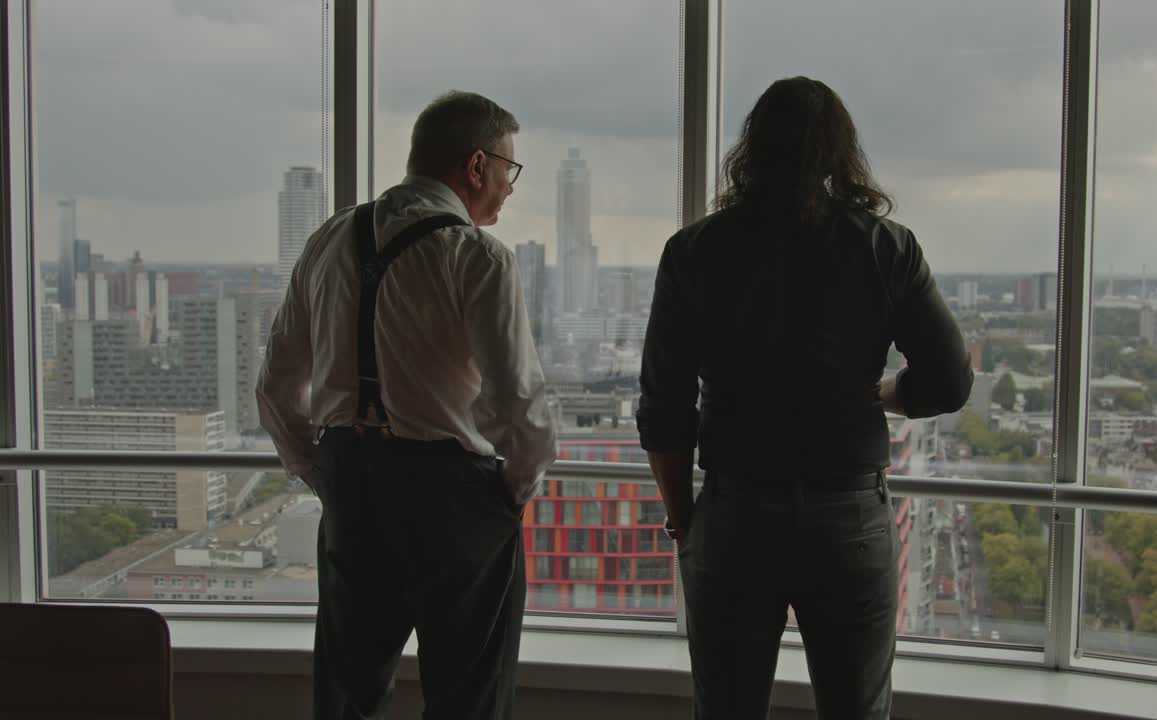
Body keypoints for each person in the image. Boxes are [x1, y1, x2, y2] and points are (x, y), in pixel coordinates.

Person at [637, 77, 973, 719]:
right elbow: (950, 381)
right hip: (847, 513)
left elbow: (665, 409)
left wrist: (685, 519)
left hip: (735, 514)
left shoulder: (695, 252)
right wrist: (882, 393)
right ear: (842, 154)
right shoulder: (884, 246)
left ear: (750, 150)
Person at [257, 90, 556, 720]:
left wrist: (318, 471)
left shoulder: (331, 238)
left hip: (352, 484)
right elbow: (520, 404)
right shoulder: (477, 254)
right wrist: (511, 493)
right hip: (453, 496)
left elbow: (279, 384)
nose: (509, 186)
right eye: (508, 169)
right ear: (476, 167)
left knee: (348, 691)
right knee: (468, 695)